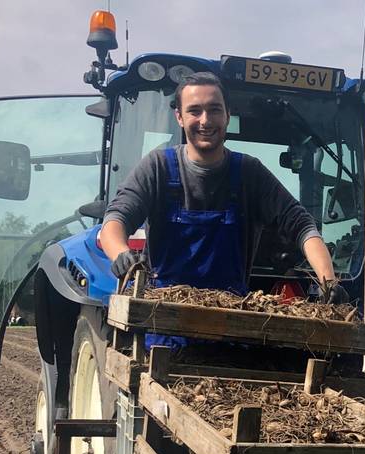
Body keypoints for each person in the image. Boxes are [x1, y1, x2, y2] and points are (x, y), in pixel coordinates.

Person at [98, 72, 346, 324]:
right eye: (194, 111)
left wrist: (328, 281)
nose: (205, 120)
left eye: (214, 110)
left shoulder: (250, 174)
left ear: (228, 114)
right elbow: (116, 220)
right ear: (180, 117)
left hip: (229, 323)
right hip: (162, 320)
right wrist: (121, 254)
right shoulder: (158, 167)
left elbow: (301, 224)